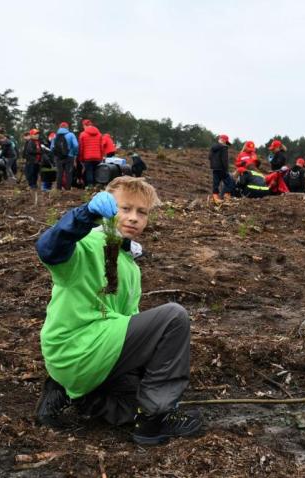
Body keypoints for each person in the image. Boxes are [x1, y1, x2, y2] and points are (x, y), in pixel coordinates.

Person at [34, 177, 202, 444]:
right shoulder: (87, 243)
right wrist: (85, 215)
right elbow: (49, 249)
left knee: (134, 400)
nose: (133, 218)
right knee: (174, 317)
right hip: (76, 347)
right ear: (107, 208)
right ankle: (153, 422)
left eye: (141, 212)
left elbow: (124, 319)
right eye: (125, 209)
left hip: (95, 355)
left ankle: (69, 393)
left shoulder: (127, 261)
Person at [51, 122, 79, 190]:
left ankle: (58, 189)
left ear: (59, 127)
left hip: (58, 157)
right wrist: (75, 153)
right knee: (68, 173)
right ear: (67, 127)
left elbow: (52, 147)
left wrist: (57, 154)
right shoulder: (71, 135)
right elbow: (76, 145)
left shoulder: (55, 136)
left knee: (59, 173)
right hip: (69, 156)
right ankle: (68, 189)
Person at [208, 134, 235, 202]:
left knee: (216, 184)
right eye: (226, 142)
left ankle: (215, 198)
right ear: (224, 141)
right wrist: (226, 169)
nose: (226, 144)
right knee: (230, 182)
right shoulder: (224, 147)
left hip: (215, 168)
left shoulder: (213, 147)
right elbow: (224, 160)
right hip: (222, 169)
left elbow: (209, 157)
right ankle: (226, 196)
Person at [78, 119, 104, 189]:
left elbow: (81, 148)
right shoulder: (99, 134)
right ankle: (97, 187)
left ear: (84, 125)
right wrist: (101, 157)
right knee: (96, 172)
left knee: (89, 172)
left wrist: (81, 158)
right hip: (97, 157)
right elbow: (101, 147)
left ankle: (90, 187)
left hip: (87, 157)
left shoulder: (82, 134)